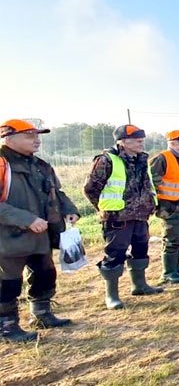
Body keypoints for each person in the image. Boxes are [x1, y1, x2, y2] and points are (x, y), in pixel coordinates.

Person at [0, 119, 79, 342]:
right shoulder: (1, 164)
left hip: (41, 235)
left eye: (38, 135)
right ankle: (6, 326)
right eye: (29, 136)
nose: (36, 140)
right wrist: (26, 219)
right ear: (8, 138)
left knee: (44, 274)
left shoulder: (40, 165)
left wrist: (69, 210)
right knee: (8, 283)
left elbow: (56, 192)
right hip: (8, 239)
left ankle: (42, 314)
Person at [84, 124, 162, 310]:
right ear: (123, 141)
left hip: (141, 216)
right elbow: (90, 189)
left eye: (142, 139)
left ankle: (139, 286)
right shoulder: (107, 160)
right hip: (116, 218)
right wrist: (104, 208)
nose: (141, 142)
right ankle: (112, 296)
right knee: (115, 255)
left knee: (141, 250)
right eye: (136, 140)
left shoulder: (142, 160)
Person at [149, 130, 179, 284]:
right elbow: (151, 184)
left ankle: (176, 267)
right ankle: (168, 272)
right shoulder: (162, 158)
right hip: (170, 208)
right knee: (171, 239)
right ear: (172, 143)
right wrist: (154, 204)